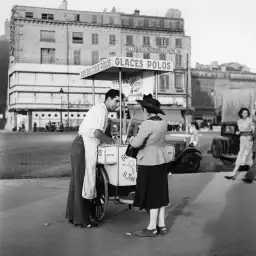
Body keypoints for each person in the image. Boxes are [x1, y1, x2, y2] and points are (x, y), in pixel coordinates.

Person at [65, 89, 124, 228]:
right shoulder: (101, 110)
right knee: (85, 181)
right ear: (108, 98)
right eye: (116, 101)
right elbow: (97, 133)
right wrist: (112, 141)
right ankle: (83, 220)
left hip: (80, 144)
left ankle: (74, 216)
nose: (118, 105)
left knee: (77, 182)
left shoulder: (99, 109)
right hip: (83, 146)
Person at [129, 94, 169, 237]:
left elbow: (136, 144)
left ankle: (152, 228)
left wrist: (131, 138)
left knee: (151, 195)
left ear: (145, 110)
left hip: (148, 161)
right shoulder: (163, 123)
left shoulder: (146, 124)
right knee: (160, 193)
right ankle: (161, 225)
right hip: (161, 160)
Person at [225, 107, 255, 180]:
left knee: (246, 155)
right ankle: (234, 173)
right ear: (241, 114)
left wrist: (247, 132)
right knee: (243, 155)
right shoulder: (239, 121)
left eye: (247, 113)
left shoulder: (250, 120)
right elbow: (241, 129)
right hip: (242, 139)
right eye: (244, 113)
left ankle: (234, 173)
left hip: (249, 139)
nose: (245, 114)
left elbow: (253, 130)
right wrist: (242, 131)